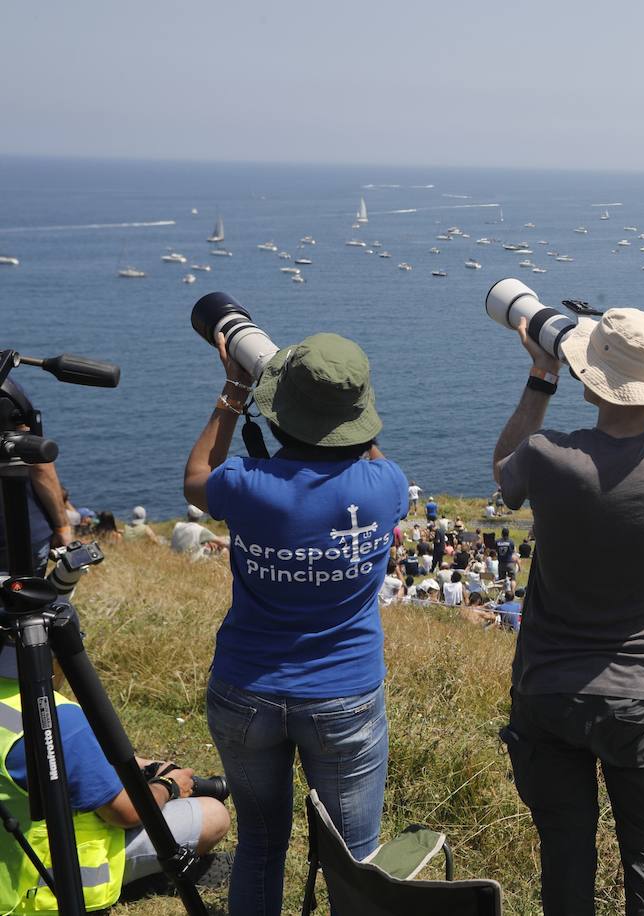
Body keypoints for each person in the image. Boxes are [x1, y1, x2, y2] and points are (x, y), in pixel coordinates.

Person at [491, 307, 644, 915]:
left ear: (590, 379)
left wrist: (541, 375)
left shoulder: (546, 456)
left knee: (565, 855)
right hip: (642, 698)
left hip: (550, 690)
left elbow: (503, 476)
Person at [183, 330, 406, 914]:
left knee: (259, 843)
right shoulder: (386, 487)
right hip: (344, 696)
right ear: (358, 422)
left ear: (279, 414)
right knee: (354, 859)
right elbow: (372, 453)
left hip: (244, 689)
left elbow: (195, 477)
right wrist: (352, 417)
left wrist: (234, 389)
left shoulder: (246, 485)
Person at [0, 643, 230, 912]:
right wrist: (168, 785)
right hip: (39, 891)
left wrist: (142, 765)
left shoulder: (12, 716)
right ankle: (141, 879)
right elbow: (125, 814)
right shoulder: (56, 717)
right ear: (55, 660)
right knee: (214, 815)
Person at [0, 379, 76, 574]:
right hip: (20, 530)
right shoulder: (6, 389)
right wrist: (62, 527)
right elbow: (39, 465)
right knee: (26, 599)